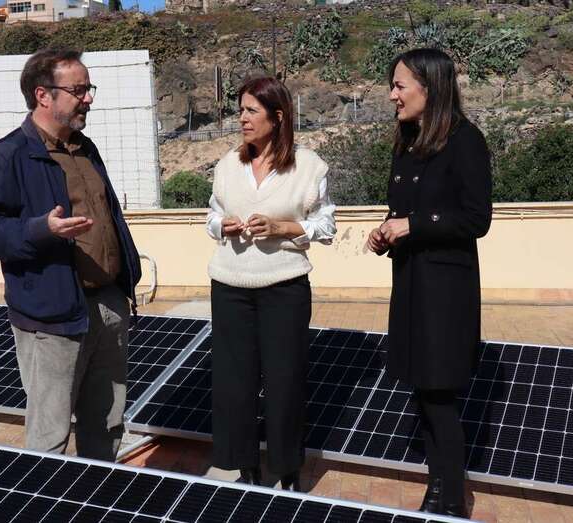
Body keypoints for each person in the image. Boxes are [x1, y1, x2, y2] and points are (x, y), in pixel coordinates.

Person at [0, 48, 141, 462]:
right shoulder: (7, 157)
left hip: (108, 305)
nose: (88, 98)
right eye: (79, 90)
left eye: (88, 88)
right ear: (43, 95)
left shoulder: (86, 149)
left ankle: (95, 498)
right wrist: (39, 229)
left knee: (107, 423)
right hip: (52, 317)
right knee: (50, 435)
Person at [366, 48, 492, 517]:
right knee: (421, 388)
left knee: (438, 393)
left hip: (446, 294)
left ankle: (450, 497)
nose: (392, 94)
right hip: (411, 284)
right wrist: (387, 231)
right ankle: (437, 487)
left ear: (430, 87)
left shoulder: (466, 141)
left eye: (400, 85)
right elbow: (402, 212)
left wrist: (413, 225)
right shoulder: (408, 142)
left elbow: (476, 219)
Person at [206, 75, 336, 491]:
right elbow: (210, 216)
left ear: (277, 117)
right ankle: (245, 467)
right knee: (235, 382)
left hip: (285, 287)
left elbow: (327, 224)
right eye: (240, 110)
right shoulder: (228, 164)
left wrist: (284, 227)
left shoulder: (309, 164)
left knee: (285, 381)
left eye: (250, 111)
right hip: (230, 286)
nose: (241, 118)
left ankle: (287, 469)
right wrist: (220, 225)